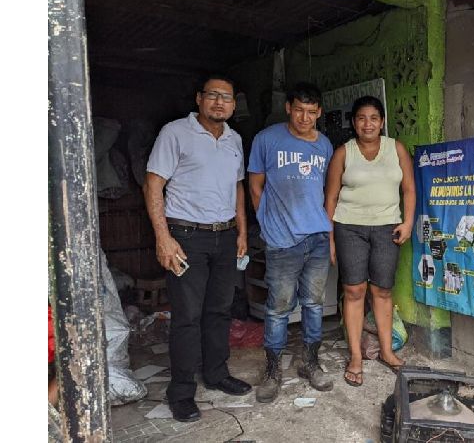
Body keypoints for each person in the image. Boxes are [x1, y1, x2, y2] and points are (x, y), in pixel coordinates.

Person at [144, 75, 251, 422]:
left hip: (225, 235)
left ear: (233, 105)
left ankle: (216, 374)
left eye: (226, 98)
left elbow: (237, 187)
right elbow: (153, 184)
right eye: (213, 96)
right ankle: (181, 392)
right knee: (187, 316)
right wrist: (163, 237)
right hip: (186, 236)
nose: (220, 103)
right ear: (199, 99)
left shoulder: (234, 139)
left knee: (219, 310)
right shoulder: (175, 133)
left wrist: (242, 232)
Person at [248, 83, 334, 402]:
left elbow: (325, 190)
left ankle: (310, 363)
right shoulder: (266, 139)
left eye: (311, 112)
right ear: (288, 108)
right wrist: (267, 225)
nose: (304, 117)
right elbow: (255, 186)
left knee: (313, 304)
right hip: (282, 241)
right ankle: (272, 371)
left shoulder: (324, 145)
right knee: (278, 308)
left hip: (317, 238)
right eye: (299, 110)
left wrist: (326, 229)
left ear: (319, 112)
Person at [324, 96, 415, 387]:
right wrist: (330, 238)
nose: (368, 124)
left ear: (382, 121)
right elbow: (331, 198)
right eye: (362, 118)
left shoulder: (396, 149)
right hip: (349, 228)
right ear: (354, 122)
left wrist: (408, 222)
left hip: (387, 228)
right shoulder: (343, 153)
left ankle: (387, 351)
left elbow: (409, 189)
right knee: (354, 290)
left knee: (383, 291)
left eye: (374, 118)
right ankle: (355, 356)